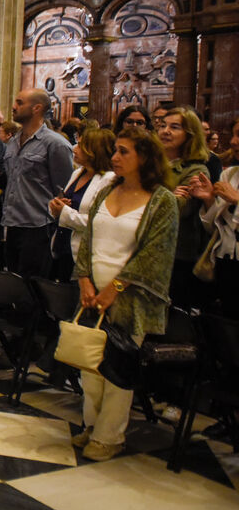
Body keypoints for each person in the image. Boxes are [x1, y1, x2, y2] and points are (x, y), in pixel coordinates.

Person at [74, 126, 178, 461]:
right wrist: (85, 280)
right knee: (89, 363)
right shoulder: (108, 190)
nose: (115, 157)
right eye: (115, 150)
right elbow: (89, 236)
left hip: (131, 295)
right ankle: (91, 424)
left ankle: (109, 435)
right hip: (93, 291)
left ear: (145, 157)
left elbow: (155, 253)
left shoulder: (161, 200)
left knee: (118, 367)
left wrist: (116, 288)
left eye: (124, 152)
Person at [1, 88, 74, 279]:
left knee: (32, 288)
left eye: (19, 103)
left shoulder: (55, 144)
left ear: (37, 108)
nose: (14, 107)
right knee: (14, 283)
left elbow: (63, 189)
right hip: (13, 223)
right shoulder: (13, 141)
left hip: (39, 227)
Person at [159, 107, 212, 310]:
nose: (165, 131)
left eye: (174, 127)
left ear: (190, 134)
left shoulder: (196, 170)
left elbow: (180, 211)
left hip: (176, 253)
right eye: (163, 125)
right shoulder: (151, 163)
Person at [48, 128, 117, 281]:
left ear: (94, 150)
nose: (74, 148)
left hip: (82, 252)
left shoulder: (108, 180)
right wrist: (57, 205)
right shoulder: (78, 173)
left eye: (80, 145)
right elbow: (66, 206)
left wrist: (64, 212)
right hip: (62, 245)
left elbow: (99, 222)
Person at [189, 118, 239, 319]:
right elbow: (216, 229)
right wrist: (209, 200)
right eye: (234, 134)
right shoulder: (231, 175)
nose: (233, 141)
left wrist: (236, 199)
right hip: (226, 264)